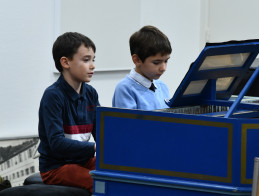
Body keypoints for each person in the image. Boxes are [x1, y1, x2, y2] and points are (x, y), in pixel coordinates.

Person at [38, 32, 99, 194]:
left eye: (93, 60)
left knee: (120, 173)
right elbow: (57, 144)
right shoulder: (53, 96)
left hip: (82, 161)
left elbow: (101, 132)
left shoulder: (91, 93)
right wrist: (94, 147)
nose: (92, 65)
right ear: (65, 62)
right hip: (56, 167)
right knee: (101, 183)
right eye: (86, 60)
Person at [112, 25, 172, 110]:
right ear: (137, 60)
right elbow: (126, 122)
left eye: (166, 61)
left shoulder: (162, 86)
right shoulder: (125, 89)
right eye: (156, 62)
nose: (163, 68)